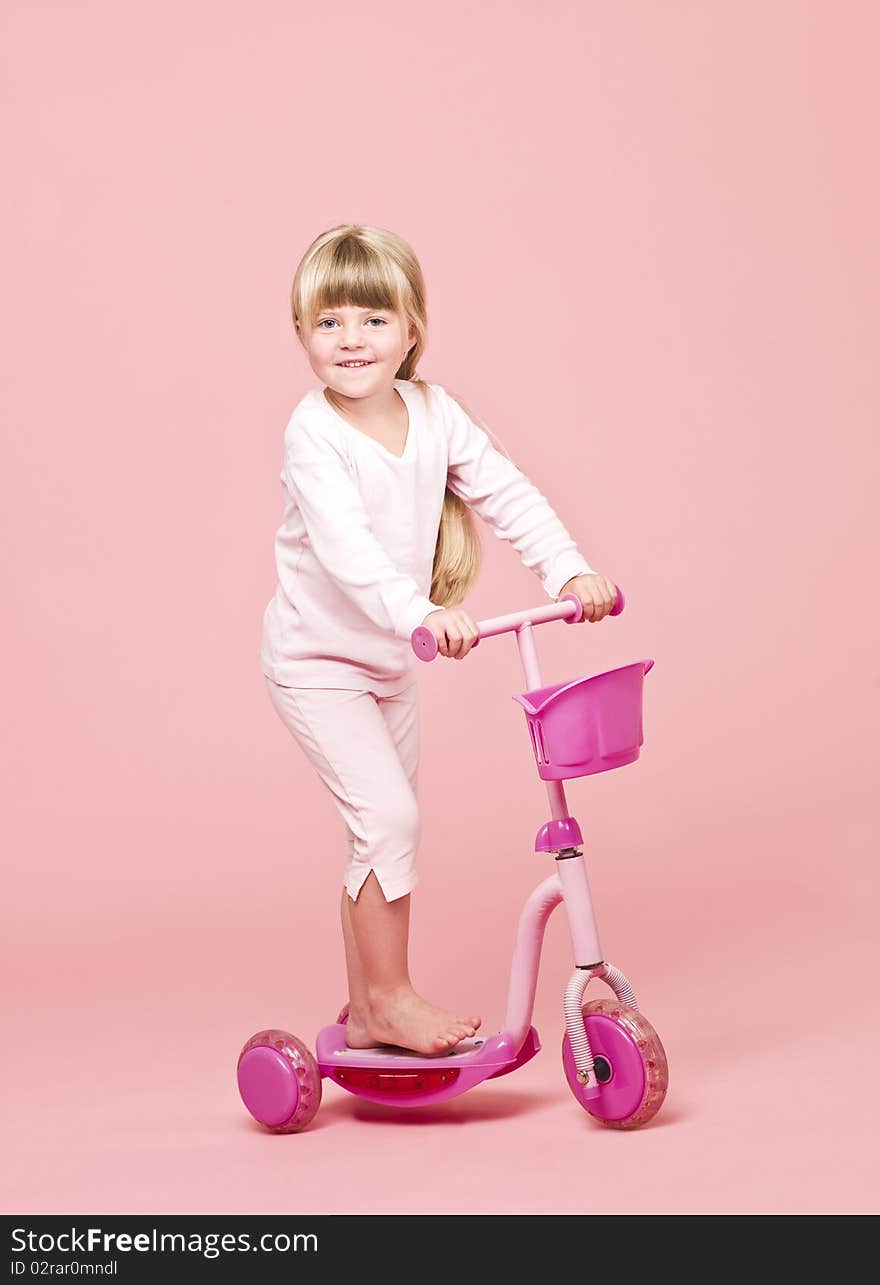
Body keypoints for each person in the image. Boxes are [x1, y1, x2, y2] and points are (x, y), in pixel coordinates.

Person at [261, 224, 618, 1057]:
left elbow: (506, 491)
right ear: (303, 334)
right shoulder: (313, 432)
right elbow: (348, 550)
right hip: (317, 663)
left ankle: (369, 1006)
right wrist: (418, 612)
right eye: (330, 321)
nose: (352, 339)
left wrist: (568, 571)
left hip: (389, 663)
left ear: (413, 328)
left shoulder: (434, 410)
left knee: (384, 831)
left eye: (374, 320)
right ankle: (388, 999)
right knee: (389, 817)